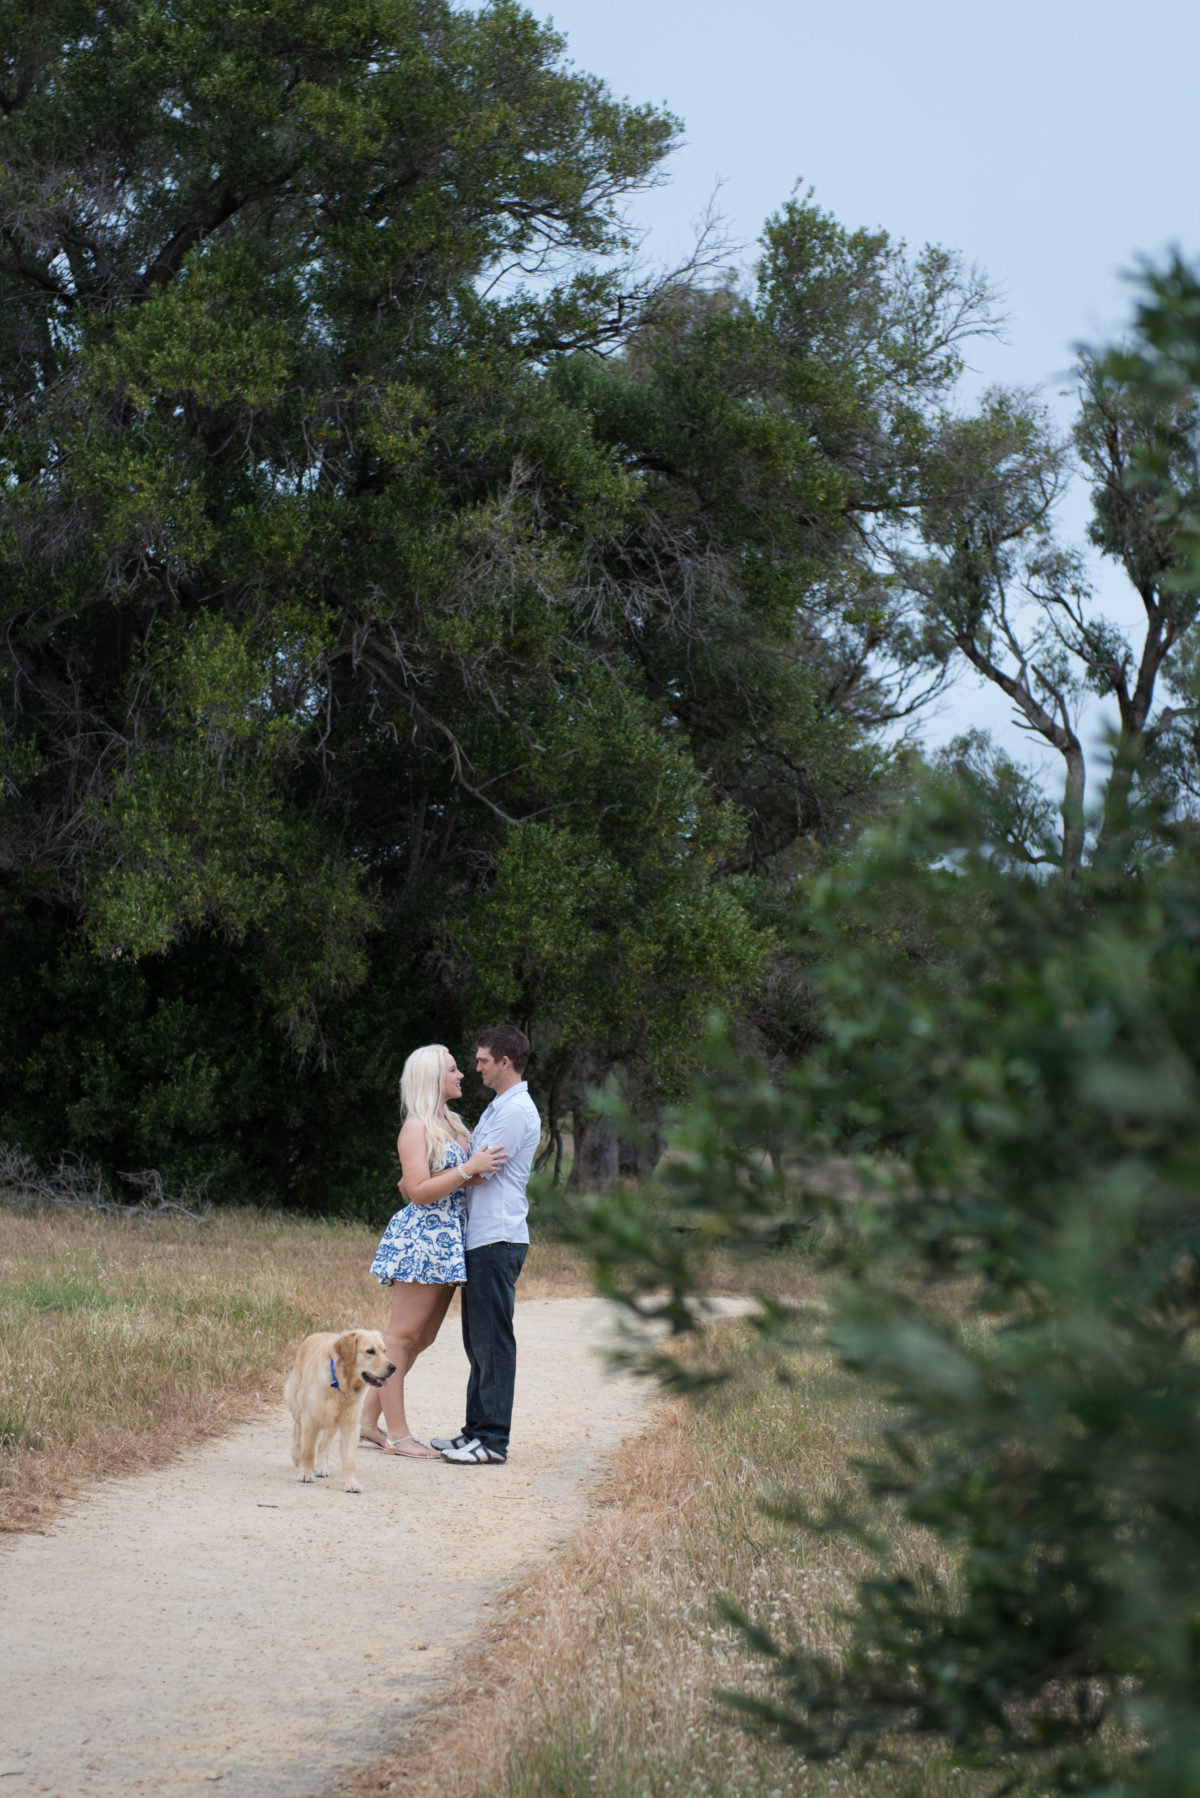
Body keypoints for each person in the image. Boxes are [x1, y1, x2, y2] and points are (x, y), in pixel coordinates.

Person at [361, 1044, 508, 1458]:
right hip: (423, 1239)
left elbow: (450, 1180)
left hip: (450, 1240)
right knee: (401, 1338)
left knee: (421, 1338)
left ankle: (367, 1422)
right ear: (431, 1079)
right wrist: (465, 1170)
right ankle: (400, 1435)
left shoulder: (455, 1125)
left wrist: (469, 1171)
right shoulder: (416, 1127)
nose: (461, 1074)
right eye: (452, 1069)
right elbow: (419, 1193)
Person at [433, 1025, 541, 1466]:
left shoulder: (517, 1111)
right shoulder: (500, 1106)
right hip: (480, 1236)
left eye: (482, 1060)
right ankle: (474, 1430)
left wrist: (438, 1179)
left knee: (493, 1342)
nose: (475, 1067)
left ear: (505, 1061)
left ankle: (493, 1441)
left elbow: (481, 1171)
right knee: (476, 1341)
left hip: (498, 1235)